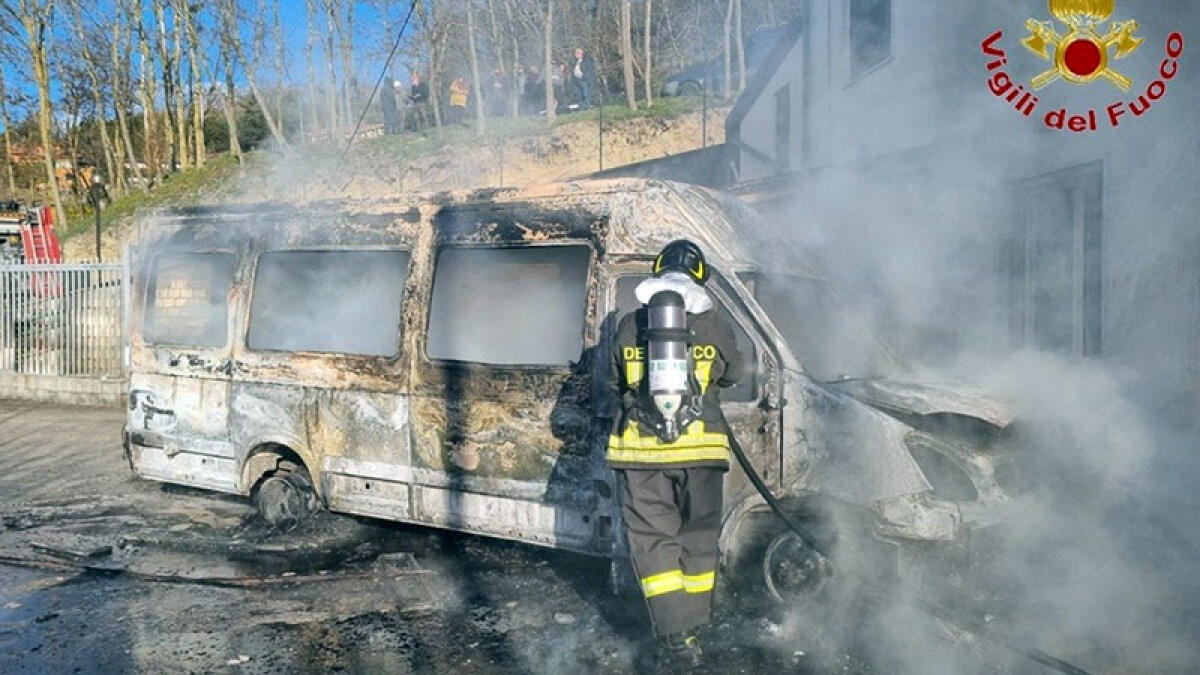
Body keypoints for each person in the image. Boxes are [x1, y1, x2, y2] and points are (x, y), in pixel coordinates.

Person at [606, 240, 744, 671]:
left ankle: (676, 635)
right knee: (699, 536)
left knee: (654, 542)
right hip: (702, 451)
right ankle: (697, 622)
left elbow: (612, 379)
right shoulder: (714, 323)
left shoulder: (630, 324)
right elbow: (736, 373)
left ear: (657, 270)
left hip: (642, 454)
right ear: (700, 276)